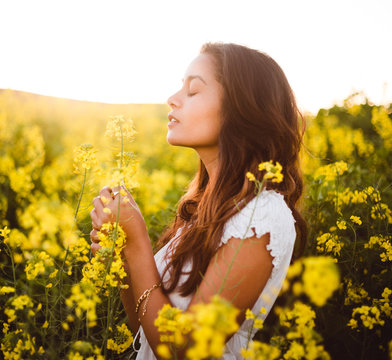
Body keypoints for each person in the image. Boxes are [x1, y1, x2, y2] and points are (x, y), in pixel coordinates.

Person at [89, 42, 306, 359]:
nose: (173, 99)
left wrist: (137, 246)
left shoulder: (262, 217)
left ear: (241, 108)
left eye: (193, 90)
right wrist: (123, 253)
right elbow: (146, 331)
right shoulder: (206, 207)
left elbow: (185, 350)